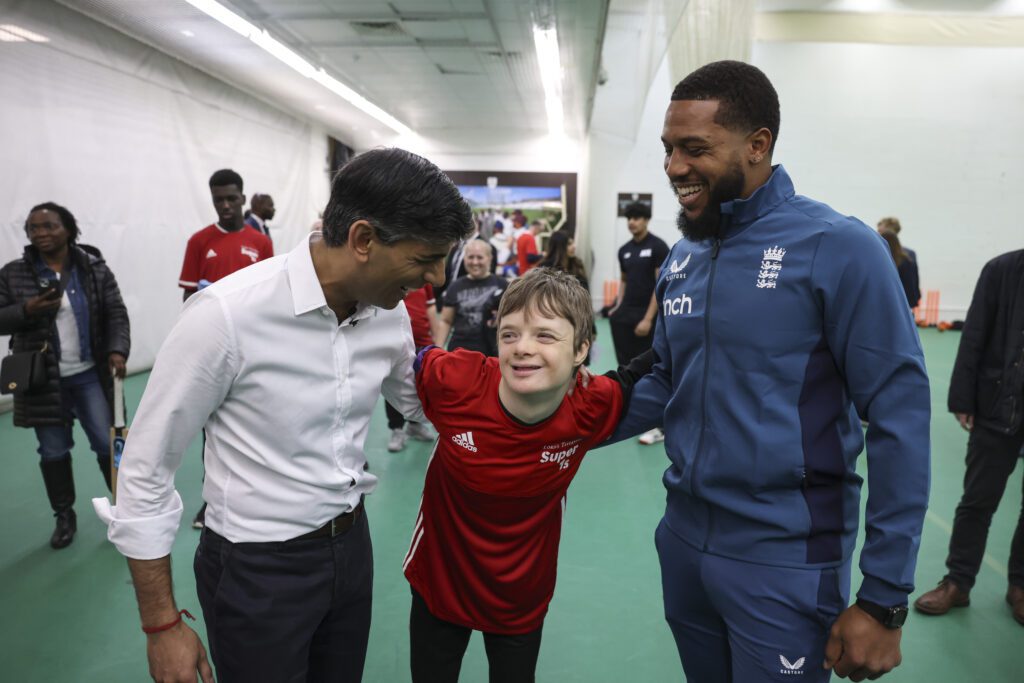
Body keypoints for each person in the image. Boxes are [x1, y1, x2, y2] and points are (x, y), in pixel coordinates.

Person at [93, 148, 473, 683]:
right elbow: (144, 469)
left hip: (351, 549)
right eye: (424, 258)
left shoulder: (385, 315)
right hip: (257, 570)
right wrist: (161, 625)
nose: (434, 278)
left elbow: (424, 407)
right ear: (363, 240)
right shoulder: (227, 317)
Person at [609, 60, 931, 682]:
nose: (674, 167)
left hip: (784, 557)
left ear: (758, 145)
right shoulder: (687, 254)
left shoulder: (839, 247)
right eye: (669, 149)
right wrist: (551, 420)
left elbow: (899, 418)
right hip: (682, 541)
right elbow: (666, 381)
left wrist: (885, 597)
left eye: (694, 148)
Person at [403, 267, 647, 683]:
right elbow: (418, 357)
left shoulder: (591, 405)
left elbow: (655, 366)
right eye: (510, 333)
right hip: (439, 581)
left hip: (521, 595)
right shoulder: (458, 382)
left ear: (581, 350)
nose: (522, 348)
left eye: (545, 336)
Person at [0, 202, 130, 548]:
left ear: (68, 229)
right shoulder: (13, 274)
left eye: (48, 226)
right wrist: (26, 310)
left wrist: (118, 349)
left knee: (108, 443)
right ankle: (64, 516)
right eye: (33, 228)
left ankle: (123, 509)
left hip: (90, 375)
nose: (40, 233)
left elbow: (116, 312)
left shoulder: (94, 269)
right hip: (43, 381)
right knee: (53, 450)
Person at [914, 249, 1024, 626]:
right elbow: (974, 333)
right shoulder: (1002, 270)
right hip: (997, 407)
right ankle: (958, 582)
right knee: (977, 501)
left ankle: (1020, 586)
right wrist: (963, 399)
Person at [179, 169, 274, 529]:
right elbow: (188, 296)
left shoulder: (260, 243)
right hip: (212, 346)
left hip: (253, 345)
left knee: (252, 420)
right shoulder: (199, 241)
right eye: (219, 199)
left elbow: (270, 293)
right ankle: (211, 502)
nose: (225, 205)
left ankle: (256, 495)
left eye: (231, 198)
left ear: (243, 198)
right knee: (213, 426)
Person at [607, 200, 669, 446]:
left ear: (646, 220)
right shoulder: (624, 250)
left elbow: (660, 286)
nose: (632, 222)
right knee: (626, 366)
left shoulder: (658, 247)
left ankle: (659, 425)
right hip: (625, 314)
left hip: (646, 315)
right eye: (629, 218)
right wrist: (616, 305)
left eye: (637, 218)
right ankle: (628, 414)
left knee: (650, 369)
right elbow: (623, 281)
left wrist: (648, 318)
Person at [386, 283, 440, 453]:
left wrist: (437, 342)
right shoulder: (393, 278)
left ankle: (415, 426)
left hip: (423, 345)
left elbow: (431, 310)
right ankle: (397, 429)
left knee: (421, 388)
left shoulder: (426, 281)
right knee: (394, 386)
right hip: (397, 345)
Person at [436, 239, 508, 355]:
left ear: (490, 258)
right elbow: (446, 321)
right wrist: (438, 351)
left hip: (491, 353)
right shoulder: (455, 286)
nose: (475, 262)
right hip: (459, 352)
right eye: (470, 257)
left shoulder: (502, 285)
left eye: (480, 257)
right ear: (464, 258)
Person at [879, 229, 920, 308]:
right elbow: (912, 281)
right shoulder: (907, 260)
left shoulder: (883, 260)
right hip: (905, 300)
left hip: (888, 300)